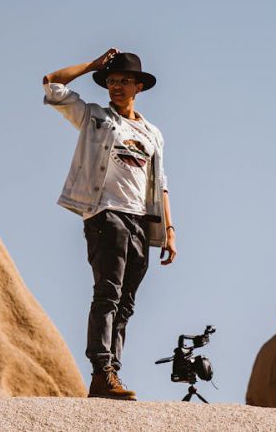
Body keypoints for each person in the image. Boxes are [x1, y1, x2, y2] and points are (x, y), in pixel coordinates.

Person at [42, 48, 178, 400]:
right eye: (112, 81)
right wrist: (92, 65)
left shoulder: (152, 133)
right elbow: (51, 84)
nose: (116, 87)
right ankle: (101, 370)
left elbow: (160, 182)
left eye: (124, 81)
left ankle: (111, 373)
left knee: (126, 302)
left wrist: (169, 231)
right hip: (106, 213)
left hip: (141, 221)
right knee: (107, 294)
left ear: (139, 87)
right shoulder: (94, 117)